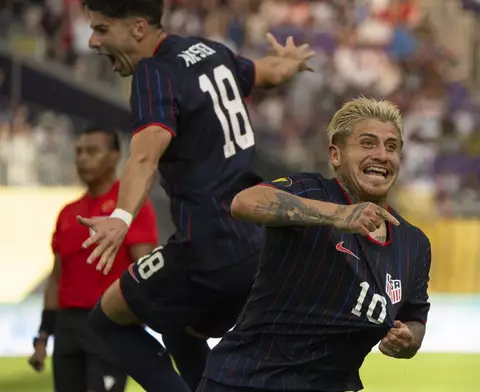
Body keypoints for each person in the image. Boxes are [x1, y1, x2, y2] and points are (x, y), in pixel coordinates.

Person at [76, 1, 315, 391]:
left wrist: (121, 218)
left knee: (106, 320)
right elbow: (266, 73)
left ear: (138, 28)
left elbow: (143, 157)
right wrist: (289, 62)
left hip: (208, 247)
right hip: (257, 244)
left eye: (102, 29)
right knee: (180, 330)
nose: (92, 41)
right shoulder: (209, 52)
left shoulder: (154, 73)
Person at [199, 97, 432, 392]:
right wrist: (339, 215)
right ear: (335, 155)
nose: (382, 155)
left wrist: (409, 339)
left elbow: (414, 317)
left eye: (392, 146)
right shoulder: (312, 190)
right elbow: (245, 202)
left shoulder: (414, 244)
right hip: (245, 381)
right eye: (368, 143)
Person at [27, 126, 158, 392]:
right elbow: (57, 277)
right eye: (78, 152)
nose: (82, 158)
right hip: (67, 328)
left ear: (114, 157)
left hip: (109, 322)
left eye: (92, 151)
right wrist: (43, 336)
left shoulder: (130, 207)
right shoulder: (68, 213)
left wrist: (139, 322)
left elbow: (144, 268)